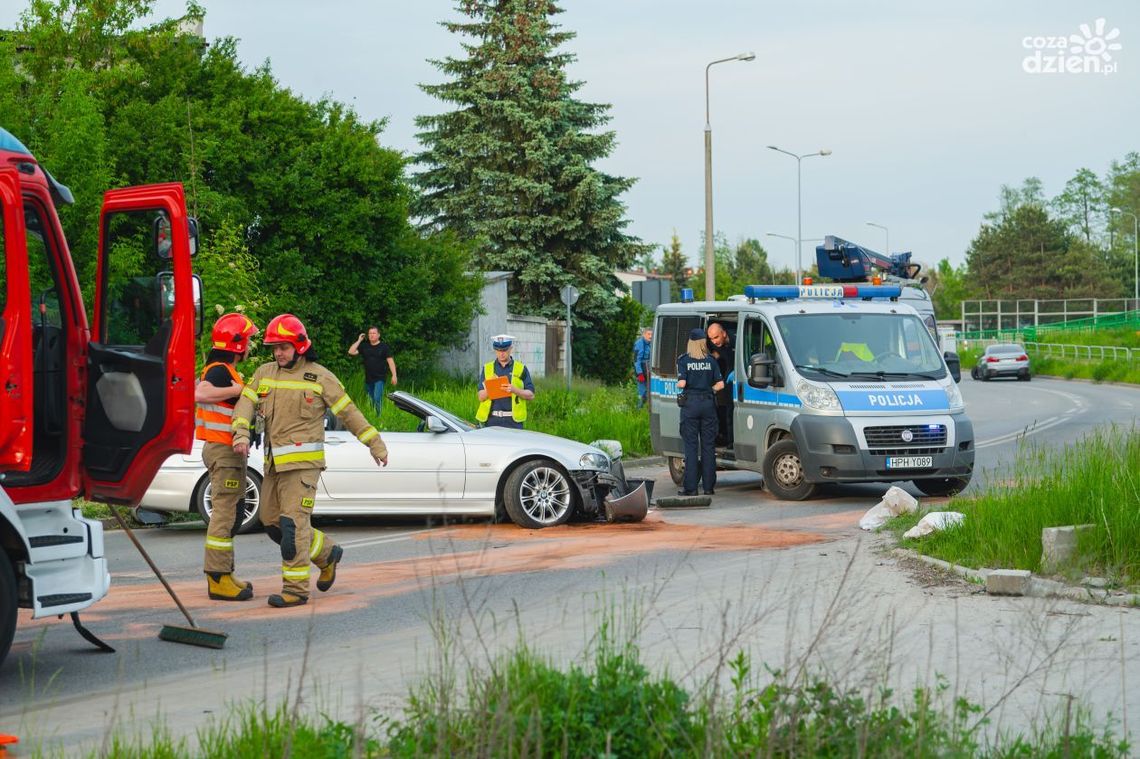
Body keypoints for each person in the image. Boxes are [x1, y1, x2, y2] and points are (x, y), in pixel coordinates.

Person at [231, 314, 389, 608]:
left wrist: (374, 443)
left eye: (284, 347)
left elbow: (349, 412)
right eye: (274, 347)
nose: (278, 353)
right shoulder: (264, 373)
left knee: (292, 526)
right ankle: (327, 554)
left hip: (303, 468)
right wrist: (240, 432)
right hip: (274, 465)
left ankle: (295, 590)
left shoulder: (320, 377)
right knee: (272, 523)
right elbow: (246, 403)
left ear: (300, 346)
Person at [196, 313, 261, 601]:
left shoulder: (225, 370)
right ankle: (218, 579)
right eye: (247, 341)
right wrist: (238, 390)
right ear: (237, 344)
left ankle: (225, 573)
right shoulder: (220, 370)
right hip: (223, 451)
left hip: (226, 451)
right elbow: (201, 393)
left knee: (231, 512)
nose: (249, 347)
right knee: (224, 513)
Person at [676, 327, 724, 496]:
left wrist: (682, 382)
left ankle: (691, 488)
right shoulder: (711, 360)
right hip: (708, 404)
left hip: (691, 405)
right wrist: (708, 389)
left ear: (691, 343)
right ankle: (709, 487)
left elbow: (681, 384)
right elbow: (720, 384)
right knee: (708, 447)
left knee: (691, 446)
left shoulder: (684, 360)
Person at [475, 334, 535, 429]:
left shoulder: (521, 368)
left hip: (513, 421)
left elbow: (531, 395)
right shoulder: (487, 368)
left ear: (510, 349)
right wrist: (492, 387)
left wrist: (514, 390)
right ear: (495, 350)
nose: (501, 353)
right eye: (498, 350)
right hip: (491, 420)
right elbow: (481, 397)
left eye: (504, 350)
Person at [348, 325, 397, 412]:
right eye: (370, 333)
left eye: (374, 333)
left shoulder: (384, 347)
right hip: (368, 378)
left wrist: (394, 375)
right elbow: (351, 352)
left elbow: (390, 361)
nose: (371, 335)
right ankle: (373, 416)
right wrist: (359, 340)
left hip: (380, 378)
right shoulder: (364, 346)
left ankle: (379, 417)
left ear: (378, 335)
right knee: (371, 400)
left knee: (377, 398)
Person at [706, 322, 735, 446]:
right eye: (711, 339)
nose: (714, 341)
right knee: (725, 413)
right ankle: (728, 441)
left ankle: (732, 441)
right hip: (724, 382)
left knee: (732, 413)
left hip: (738, 380)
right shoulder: (713, 345)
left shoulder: (736, 339)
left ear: (724, 333)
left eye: (716, 337)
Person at [632, 326, 653, 408]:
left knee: (650, 393)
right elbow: (636, 360)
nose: (650, 336)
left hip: (649, 371)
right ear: (644, 334)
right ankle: (638, 410)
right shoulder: (639, 343)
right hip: (641, 371)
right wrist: (639, 373)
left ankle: (647, 411)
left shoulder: (651, 344)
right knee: (642, 393)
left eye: (651, 334)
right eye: (648, 334)